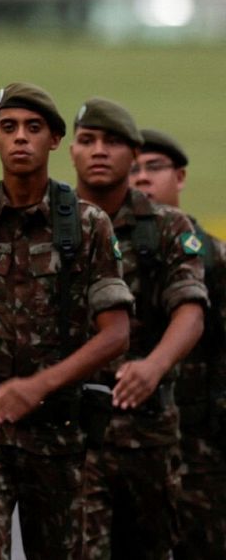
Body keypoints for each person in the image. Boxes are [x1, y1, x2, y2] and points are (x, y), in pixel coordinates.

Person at [0, 84, 132, 559]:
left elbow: (115, 333)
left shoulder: (87, 225)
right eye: (9, 128)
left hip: (57, 430)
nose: (20, 139)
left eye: (34, 128)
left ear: (54, 140)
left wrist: (40, 385)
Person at [70, 102, 207, 560]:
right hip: (70, 435)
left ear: (132, 155)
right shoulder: (49, 220)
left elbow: (190, 308)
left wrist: (155, 366)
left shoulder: (167, 228)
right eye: (88, 140)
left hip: (146, 435)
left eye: (112, 142)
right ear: (69, 150)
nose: (99, 152)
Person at [129, 129, 226, 560]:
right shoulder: (108, 250)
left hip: (200, 447)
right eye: (133, 169)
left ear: (180, 176)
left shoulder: (214, 258)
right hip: (132, 439)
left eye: (154, 168)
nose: (142, 179)